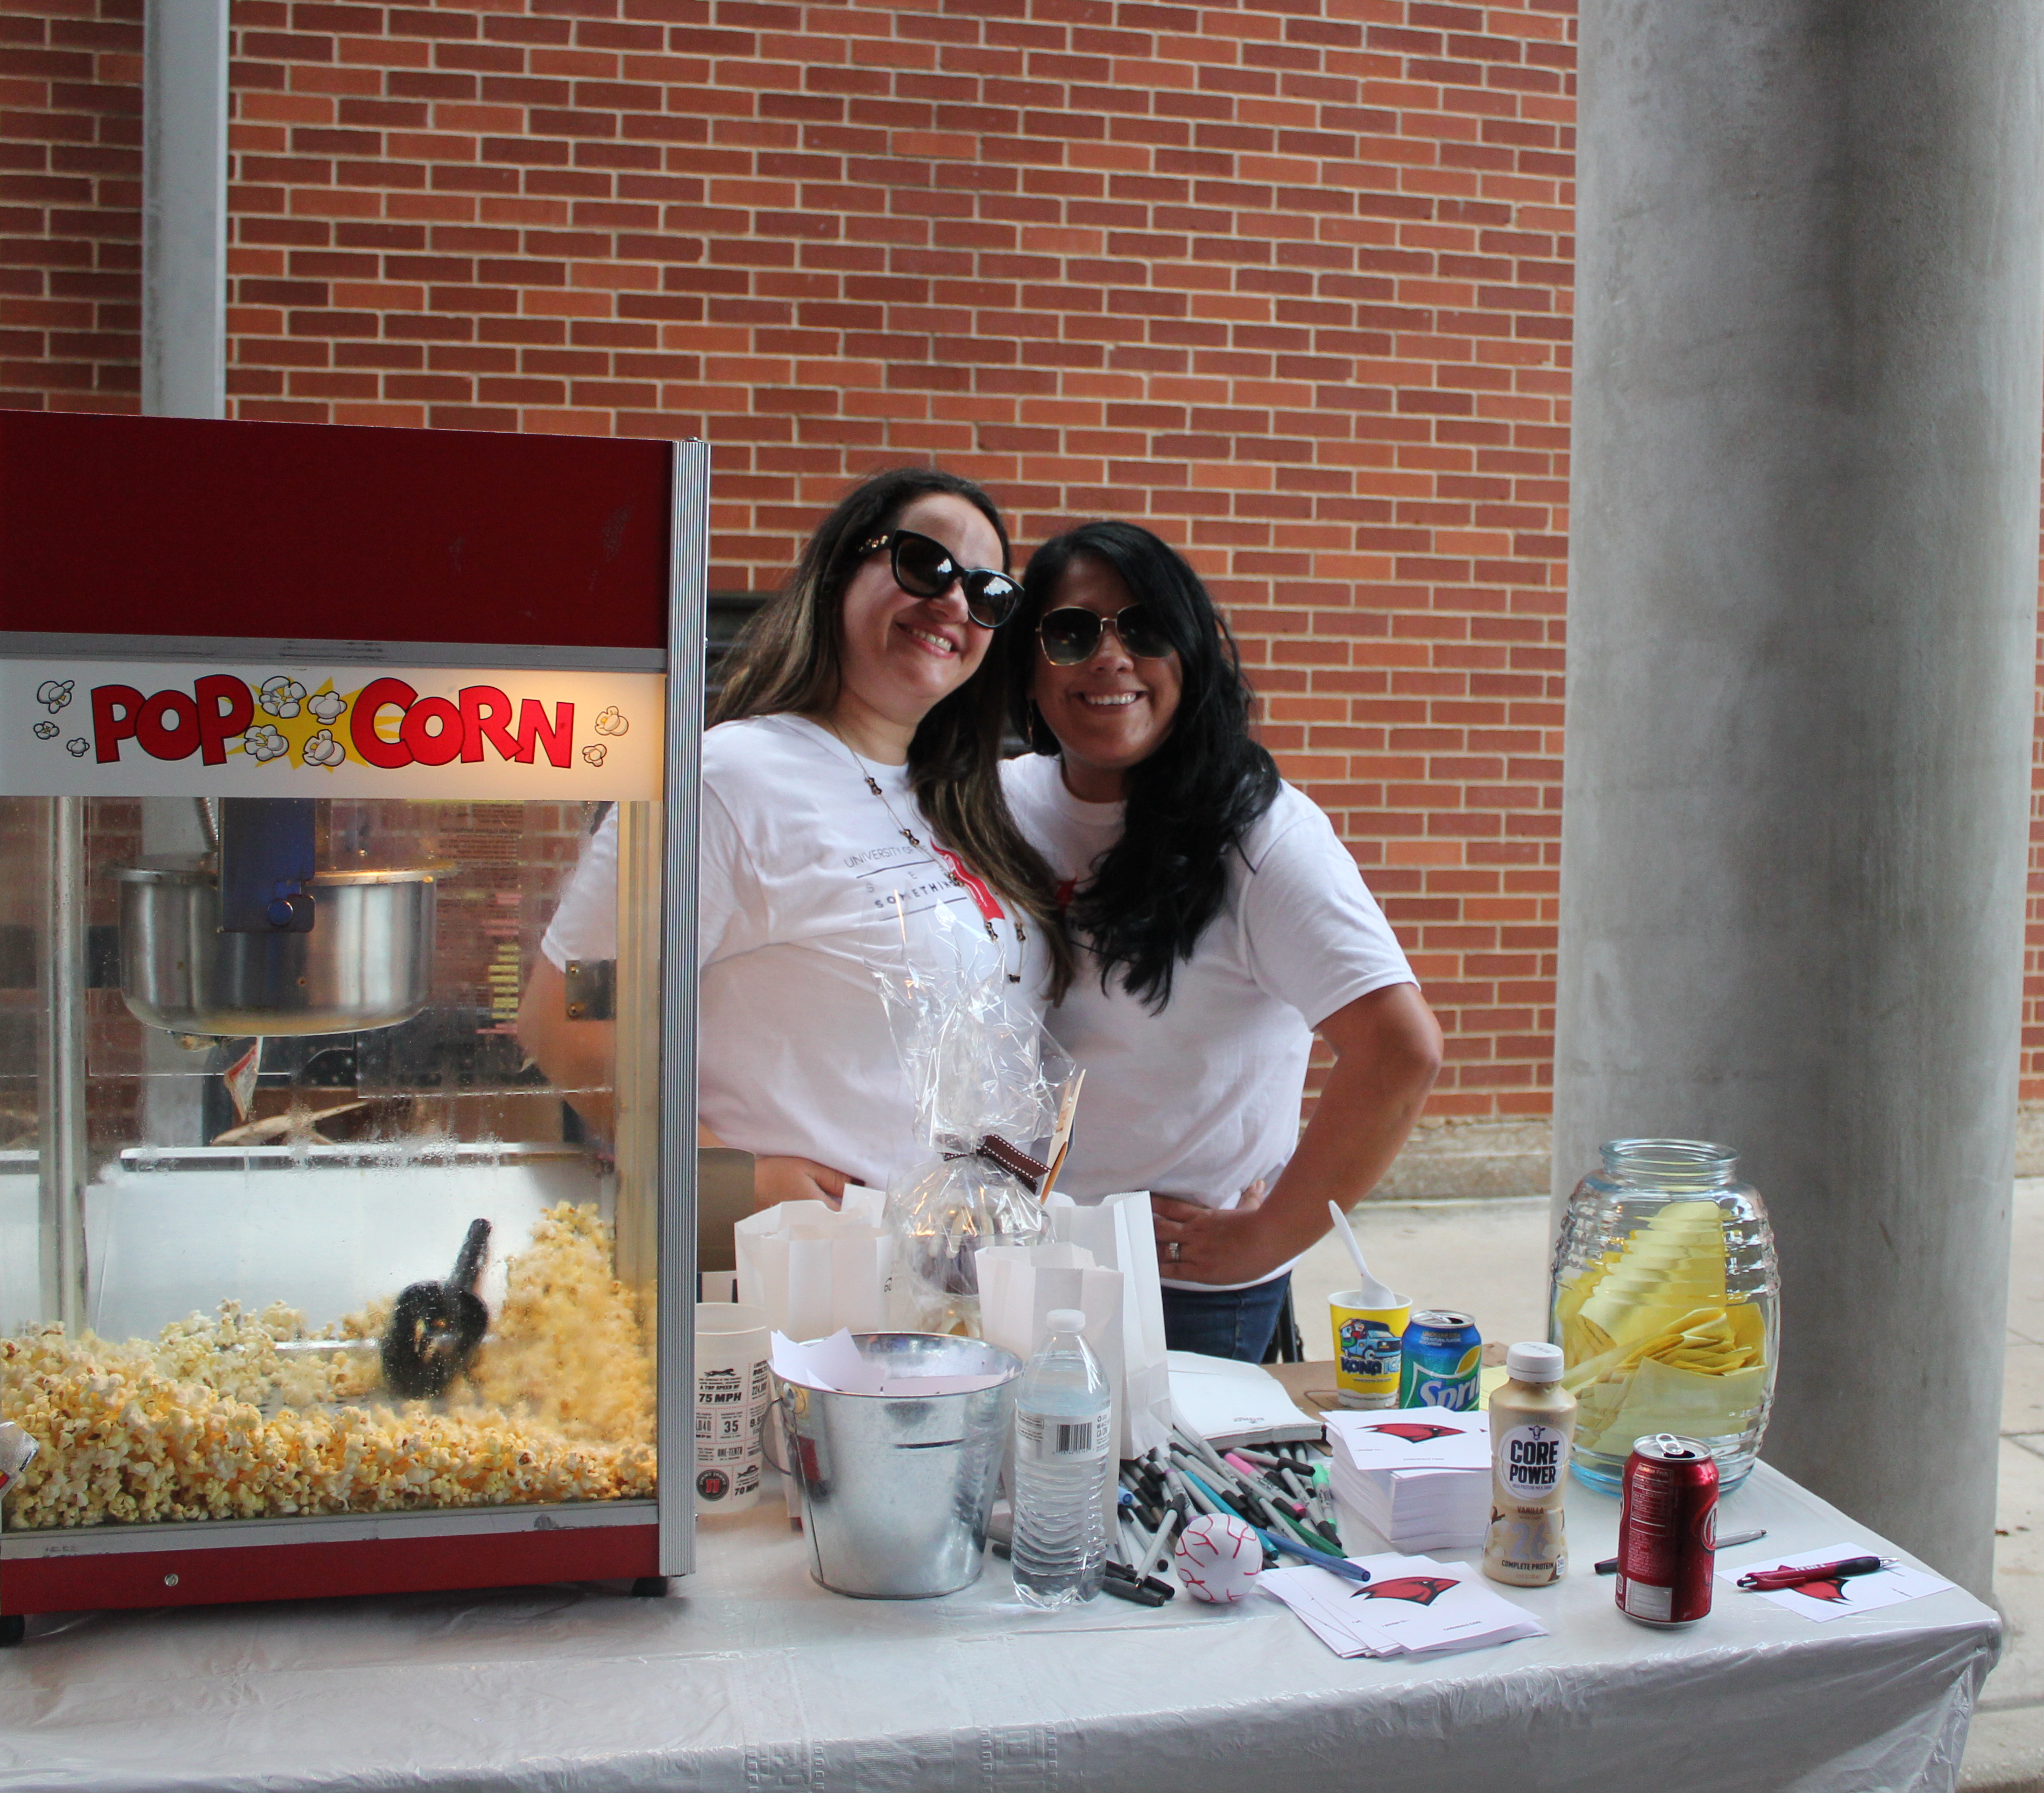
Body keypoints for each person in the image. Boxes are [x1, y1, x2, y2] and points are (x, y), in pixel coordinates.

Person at [520, 468, 1069, 1208]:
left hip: (954, 1275)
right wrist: (725, 1177)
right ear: (844, 569)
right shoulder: (726, 779)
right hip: (795, 1283)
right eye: (924, 564)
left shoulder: (962, 802)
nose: (951, 603)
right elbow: (568, 1018)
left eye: (986, 592)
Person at [997, 520, 1444, 1361]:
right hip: (1011, 1261)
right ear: (1029, 662)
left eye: (1145, 627)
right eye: (1071, 632)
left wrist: (1268, 1235)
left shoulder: (1260, 835)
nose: (1110, 656)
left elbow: (1399, 1051)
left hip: (1177, 1292)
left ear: (1192, 654)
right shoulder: (994, 807)